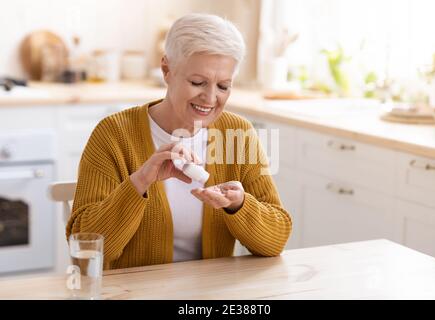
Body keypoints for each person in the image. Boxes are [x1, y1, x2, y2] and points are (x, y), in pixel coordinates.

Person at [66, 13, 292, 270]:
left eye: (223, 86)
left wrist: (239, 205)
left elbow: (276, 240)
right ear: (167, 70)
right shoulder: (114, 135)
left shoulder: (238, 134)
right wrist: (140, 181)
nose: (209, 98)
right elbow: (84, 250)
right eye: (198, 82)